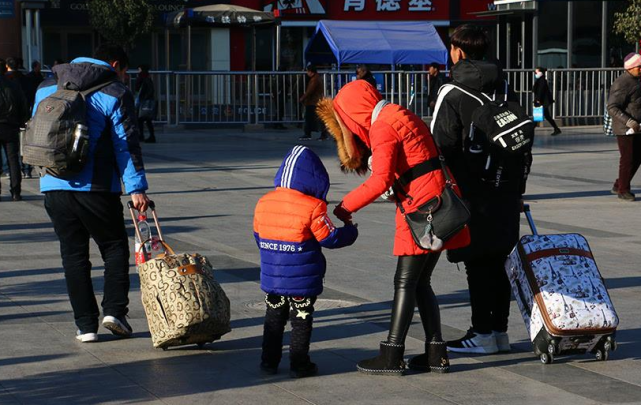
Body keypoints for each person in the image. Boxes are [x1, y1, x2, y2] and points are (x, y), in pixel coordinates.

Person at [317, 80, 470, 375]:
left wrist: (345, 207)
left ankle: (392, 355)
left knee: (404, 282)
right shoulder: (400, 113)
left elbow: (380, 180)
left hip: (423, 212)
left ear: (353, 112)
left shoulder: (383, 126)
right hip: (437, 206)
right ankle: (435, 354)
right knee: (420, 282)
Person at [33, 45, 150, 343]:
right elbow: (126, 143)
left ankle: (85, 326)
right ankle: (114, 311)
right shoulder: (115, 91)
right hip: (97, 187)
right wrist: (136, 188)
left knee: (73, 255)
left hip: (54, 184)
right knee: (113, 247)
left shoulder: (47, 85)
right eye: (123, 70)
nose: (124, 76)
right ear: (115, 64)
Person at [430, 24, 531, 354]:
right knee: (502, 261)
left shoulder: (451, 91)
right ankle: (499, 333)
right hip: (506, 190)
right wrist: (518, 190)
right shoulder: (504, 86)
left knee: (477, 264)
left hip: (470, 192)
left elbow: (440, 148)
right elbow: (520, 143)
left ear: (458, 51)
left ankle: (481, 332)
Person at [254, 145, 358, 378]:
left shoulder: (263, 202)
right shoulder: (312, 207)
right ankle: (299, 364)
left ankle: (268, 362)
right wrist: (351, 230)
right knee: (301, 320)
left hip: (273, 276)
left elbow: (258, 237)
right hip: (302, 280)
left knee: (273, 318)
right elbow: (330, 238)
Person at [607, 52, 641, 202]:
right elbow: (612, 107)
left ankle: (619, 184)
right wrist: (629, 122)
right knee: (627, 159)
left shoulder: (636, 80)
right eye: (639, 67)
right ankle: (623, 190)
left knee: (637, 157)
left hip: (637, 126)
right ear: (631, 67)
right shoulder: (622, 82)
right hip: (625, 128)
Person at [0, 58, 29, 201]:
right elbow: (23, 105)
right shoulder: (13, 85)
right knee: (13, 159)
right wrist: (22, 120)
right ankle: (16, 191)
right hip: (11, 125)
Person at [5, 57, 36, 178]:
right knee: (24, 144)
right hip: (24, 115)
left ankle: (7, 170)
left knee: (10, 151)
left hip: (9, 119)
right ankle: (27, 169)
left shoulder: (7, 81)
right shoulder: (26, 79)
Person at [299, 64, 327, 141]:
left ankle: (309, 133)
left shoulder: (314, 80)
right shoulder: (317, 78)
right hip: (316, 101)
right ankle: (322, 134)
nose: (307, 73)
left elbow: (310, 91)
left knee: (310, 118)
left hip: (313, 102)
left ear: (311, 72)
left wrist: (303, 98)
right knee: (317, 118)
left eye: (308, 71)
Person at [532, 67, 561, 136]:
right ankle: (556, 129)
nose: (535, 74)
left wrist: (538, 100)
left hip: (542, 101)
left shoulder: (542, 81)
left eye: (536, 72)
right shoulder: (541, 80)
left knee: (537, 116)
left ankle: (530, 131)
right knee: (546, 116)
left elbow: (540, 91)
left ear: (540, 73)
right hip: (542, 101)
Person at [135, 64, 156, 143]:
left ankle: (145, 136)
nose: (138, 71)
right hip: (146, 101)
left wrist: (144, 98)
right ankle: (148, 135)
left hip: (143, 101)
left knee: (142, 119)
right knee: (145, 119)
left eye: (139, 69)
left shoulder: (142, 78)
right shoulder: (147, 78)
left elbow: (137, 88)